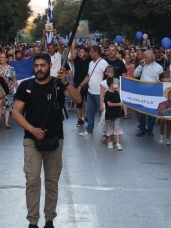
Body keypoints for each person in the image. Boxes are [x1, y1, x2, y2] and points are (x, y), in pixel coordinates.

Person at [12, 52, 82, 228]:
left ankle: (49, 219)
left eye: (43, 65)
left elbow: (78, 99)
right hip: (31, 140)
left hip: (55, 140)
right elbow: (16, 113)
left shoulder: (58, 84)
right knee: (33, 180)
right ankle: (33, 222)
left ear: (50, 66)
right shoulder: (26, 86)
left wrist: (66, 82)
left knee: (52, 182)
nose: (39, 69)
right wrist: (33, 130)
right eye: (36, 66)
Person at [77, 45, 108, 137]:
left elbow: (108, 76)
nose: (89, 54)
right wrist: (80, 85)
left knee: (102, 113)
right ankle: (89, 130)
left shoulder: (103, 63)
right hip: (90, 92)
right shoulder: (90, 63)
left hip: (100, 93)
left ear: (97, 52)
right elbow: (88, 76)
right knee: (90, 112)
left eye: (91, 52)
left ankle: (106, 132)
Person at [133, 49, 163, 137]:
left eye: (145, 57)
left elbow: (161, 80)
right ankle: (142, 128)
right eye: (143, 57)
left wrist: (159, 82)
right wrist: (140, 66)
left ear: (151, 57)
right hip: (142, 91)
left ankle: (150, 129)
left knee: (151, 111)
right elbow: (135, 75)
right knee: (141, 110)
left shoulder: (159, 67)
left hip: (152, 92)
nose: (144, 58)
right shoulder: (143, 65)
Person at [102, 76, 124, 150]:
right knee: (109, 128)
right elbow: (109, 104)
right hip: (109, 114)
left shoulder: (116, 93)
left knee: (117, 128)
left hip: (116, 114)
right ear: (111, 84)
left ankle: (117, 143)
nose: (117, 84)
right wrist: (118, 104)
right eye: (116, 83)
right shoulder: (107, 93)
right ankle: (110, 141)